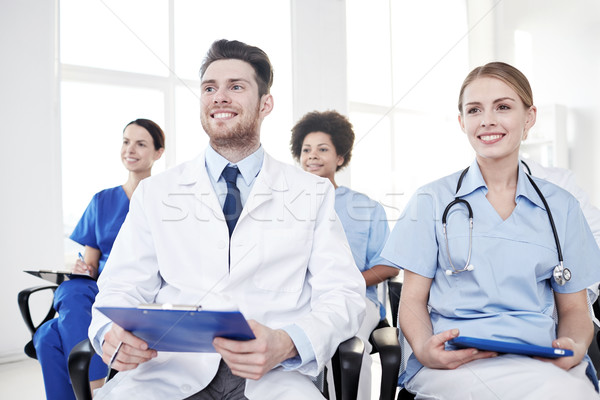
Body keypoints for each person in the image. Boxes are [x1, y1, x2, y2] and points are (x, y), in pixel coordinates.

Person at [88, 39, 366, 400]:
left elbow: (343, 294)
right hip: (169, 369)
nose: (219, 97)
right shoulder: (156, 193)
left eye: (236, 87)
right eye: (209, 88)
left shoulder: (312, 193)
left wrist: (288, 342)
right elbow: (120, 285)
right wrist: (111, 332)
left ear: (265, 104)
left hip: (271, 374)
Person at [381, 62, 600, 399]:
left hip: (540, 361)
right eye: (474, 110)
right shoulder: (431, 200)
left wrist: (573, 345)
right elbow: (411, 301)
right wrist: (425, 349)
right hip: (455, 360)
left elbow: (574, 310)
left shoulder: (562, 206)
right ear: (461, 122)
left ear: (529, 118)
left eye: (503, 107)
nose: (487, 120)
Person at [33, 118, 166, 400]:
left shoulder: (165, 199)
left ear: (158, 152)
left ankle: (94, 389)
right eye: (126, 141)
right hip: (99, 289)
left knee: (47, 336)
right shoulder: (102, 200)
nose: (130, 149)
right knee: (72, 287)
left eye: (141, 144)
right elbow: (91, 265)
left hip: (141, 293)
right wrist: (81, 268)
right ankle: (98, 390)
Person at [290, 110, 399, 399]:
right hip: (301, 298)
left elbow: (388, 266)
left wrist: (346, 284)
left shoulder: (365, 207)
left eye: (323, 149)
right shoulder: (286, 207)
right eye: (306, 150)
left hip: (357, 299)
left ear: (340, 157)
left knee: (347, 343)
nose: (312, 156)